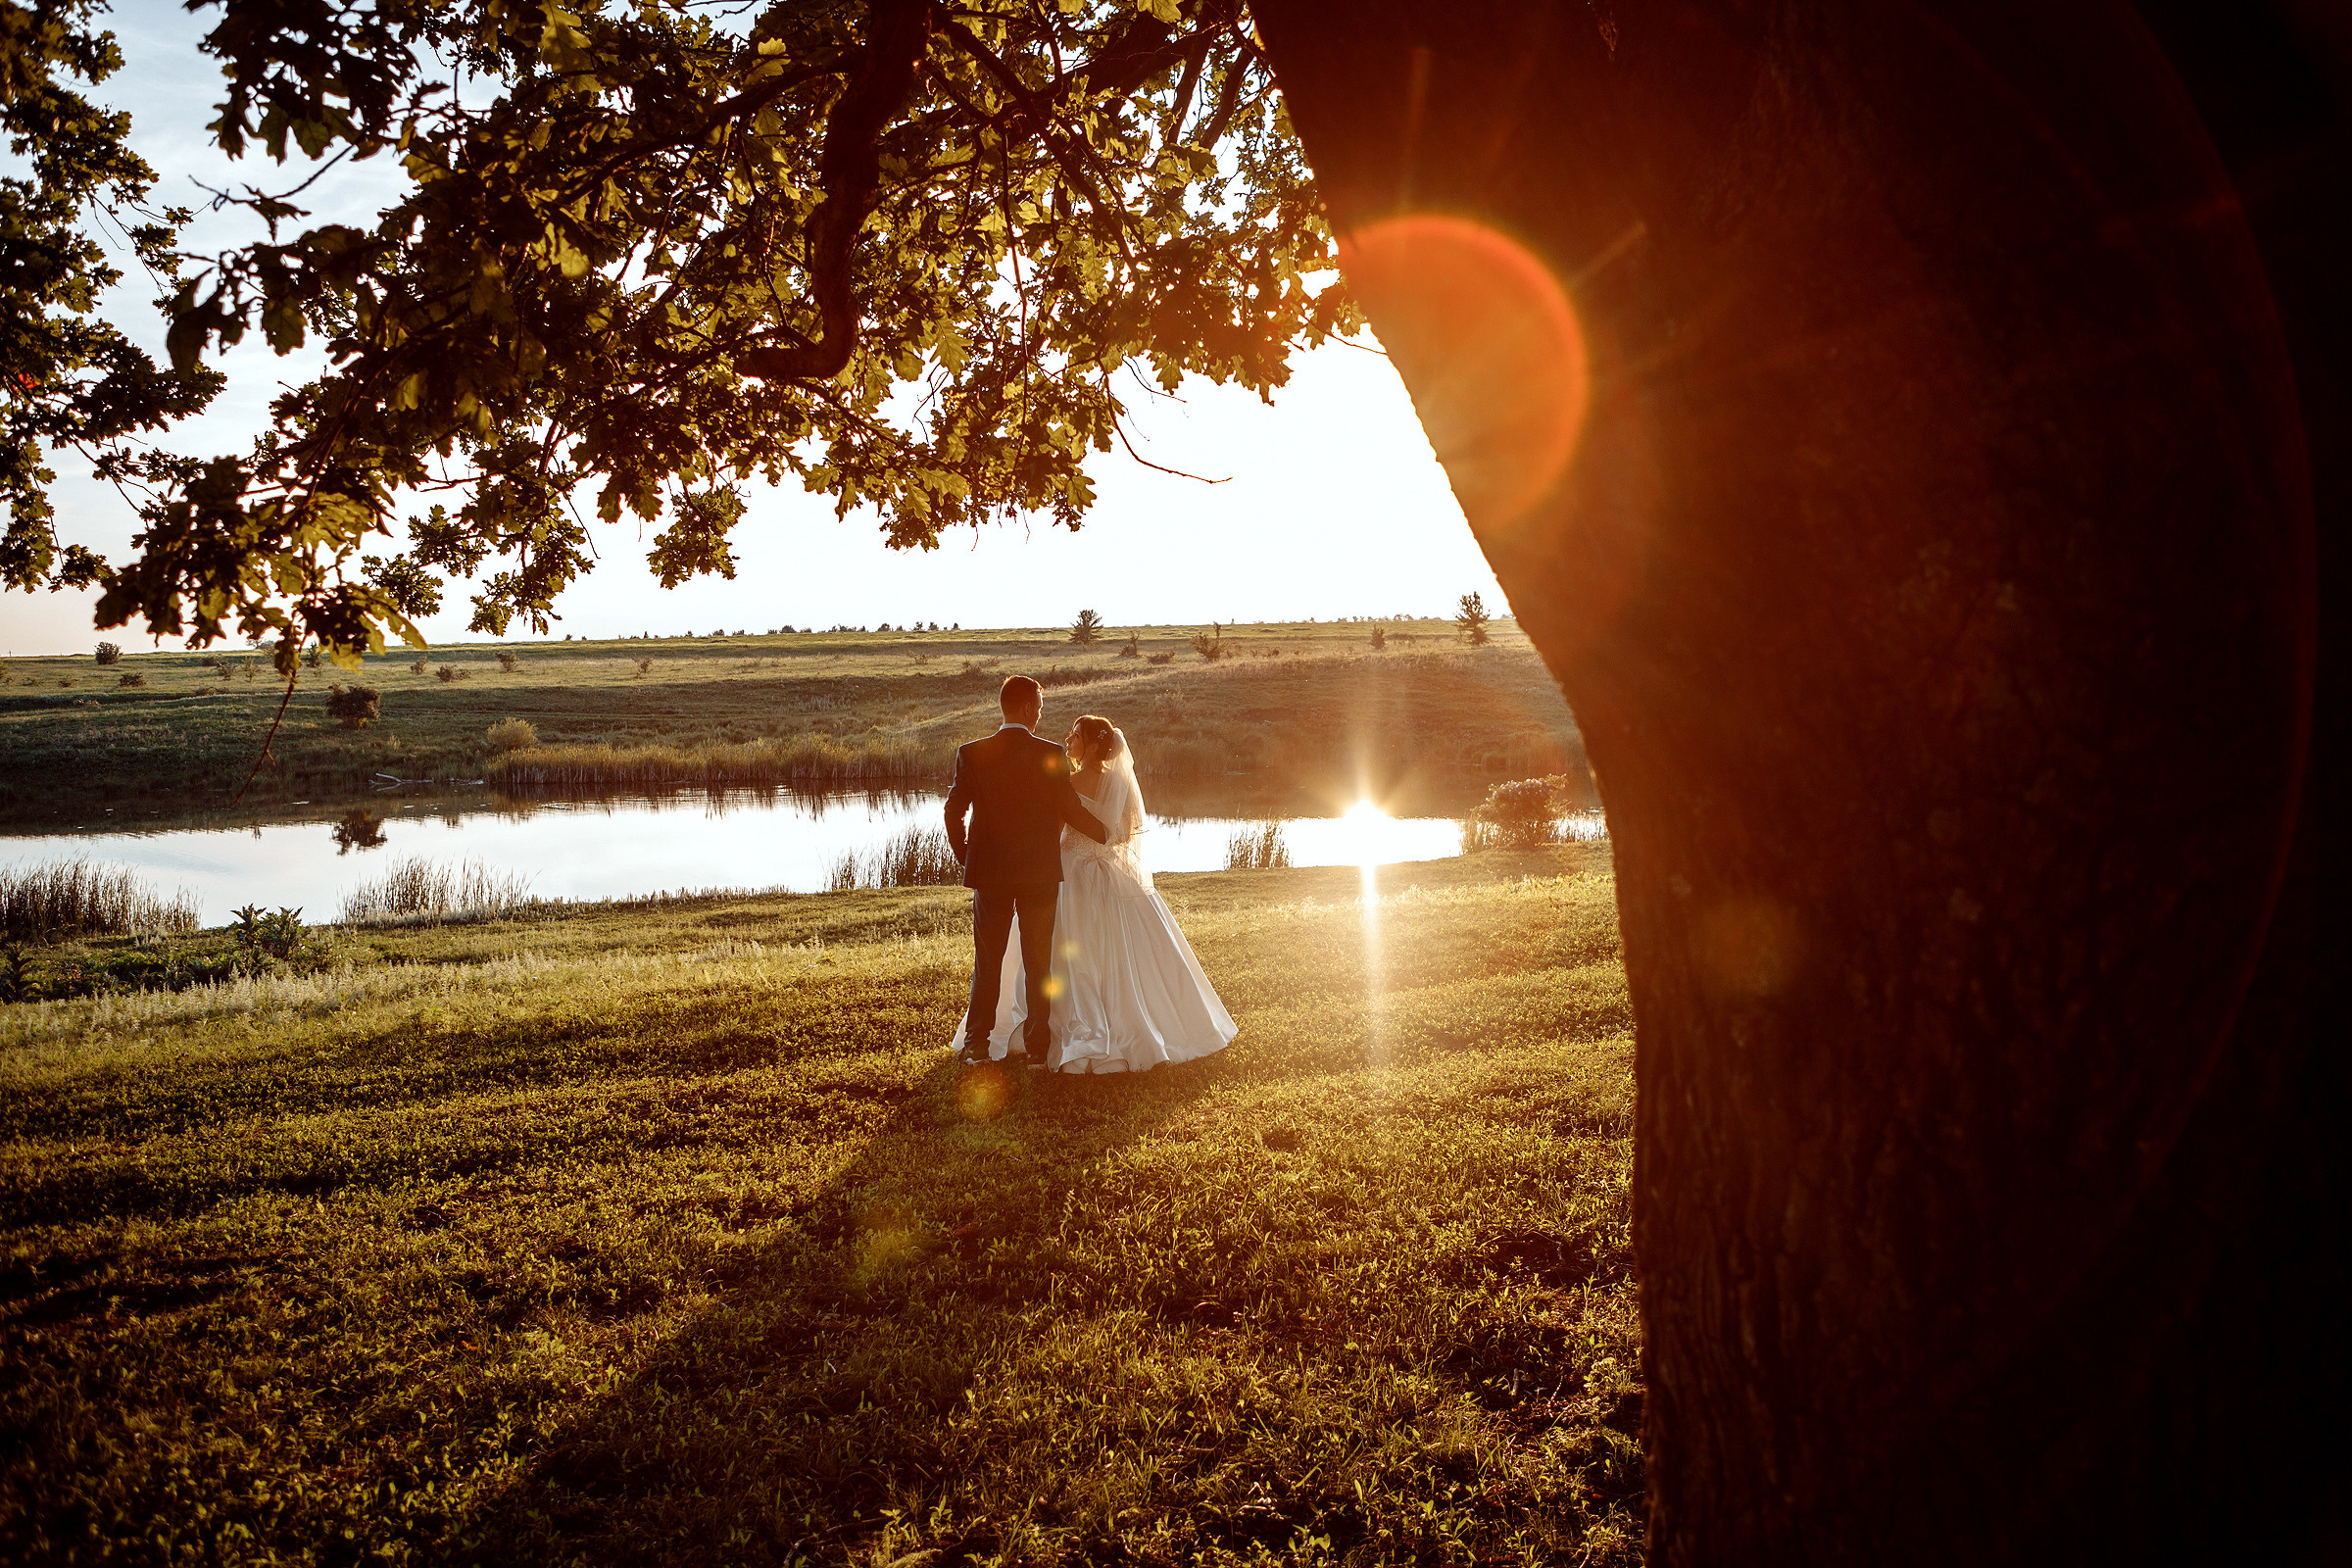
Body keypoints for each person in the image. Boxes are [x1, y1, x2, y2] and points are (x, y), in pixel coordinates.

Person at [965, 713, 1238, 1074]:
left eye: (1075, 735)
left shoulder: (1067, 781)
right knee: (1121, 953)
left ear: (1092, 745)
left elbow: (1054, 829)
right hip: (1109, 873)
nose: (1068, 740)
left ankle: (1049, 1031)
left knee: (1048, 952)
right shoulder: (1120, 783)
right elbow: (1124, 835)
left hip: (1068, 873)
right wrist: (1099, 846)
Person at [945, 675, 1110, 1066]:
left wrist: (966, 855)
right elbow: (1070, 810)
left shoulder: (972, 752)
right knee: (1040, 961)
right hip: (1038, 874)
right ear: (1025, 709)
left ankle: (977, 1045)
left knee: (988, 959)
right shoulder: (1049, 753)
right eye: (1038, 705)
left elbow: (954, 810)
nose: (1040, 712)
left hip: (991, 874)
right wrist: (1107, 833)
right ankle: (1038, 1050)